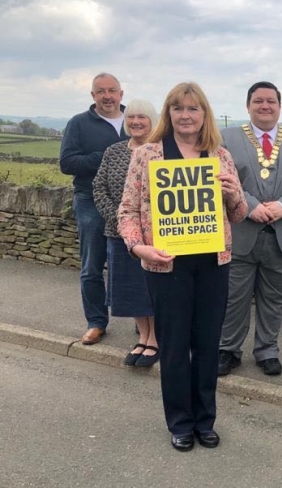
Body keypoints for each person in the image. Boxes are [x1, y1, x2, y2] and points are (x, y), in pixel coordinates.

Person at [118, 82, 247, 452]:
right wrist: (139, 247)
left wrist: (232, 194)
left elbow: (237, 215)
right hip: (165, 265)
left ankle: (205, 420)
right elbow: (127, 211)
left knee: (207, 345)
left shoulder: (219, 157)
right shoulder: (147, 156)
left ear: (204, 114)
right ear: (168, 114)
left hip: (213, 265)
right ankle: (180, 422)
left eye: (193, 109)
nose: (186, 115)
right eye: (178, 109)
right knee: (174, 348)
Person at [218, 81, 282, 377]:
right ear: (248, 106)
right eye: (258, 101)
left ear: (279, 106)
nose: (265, 106)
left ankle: (267, 351)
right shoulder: (227, 137)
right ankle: (228, 350)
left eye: (271, 101)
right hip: (241, 231)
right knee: (233, 297)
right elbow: (223, 177)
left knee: (274, 299)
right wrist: (251, 206)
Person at [60, 72, 126, 345]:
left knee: (142, 264)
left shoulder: (136, 119)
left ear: (121, 94)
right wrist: (106, 157)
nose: (107, 96)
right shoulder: (78, 123)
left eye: (112, 90)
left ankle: (145, 323)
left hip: (134, 204)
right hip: (91, 201)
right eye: (101, 91)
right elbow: (67, 163)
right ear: (92, 95)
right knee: (92, 266)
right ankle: (96, 322)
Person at [92, 99, 158, 367]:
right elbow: (99, 188)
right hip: (118, 234)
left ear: (152, 120)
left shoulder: (160, 151)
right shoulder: (114, 151)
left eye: (142, 117)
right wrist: (122, 223)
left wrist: (141, 227)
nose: (136, 122)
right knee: (129, 289)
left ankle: (155, 339)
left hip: (153, 236)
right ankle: (142, 336)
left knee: (149, 288)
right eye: (131, 117)